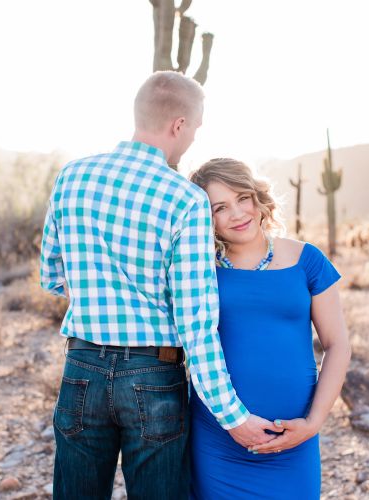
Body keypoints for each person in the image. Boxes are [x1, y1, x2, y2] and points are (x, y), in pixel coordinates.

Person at [40, 72, 276, 500]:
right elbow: (195, 324)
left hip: (81, 368)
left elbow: (52, 275)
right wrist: (234, 417)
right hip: (153, 376)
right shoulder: (185, 200)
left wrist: (102, 299)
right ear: (179, 126)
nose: (193, 138)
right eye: (196, 127)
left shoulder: (71, 177)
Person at [189, 158, 351, 499]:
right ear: (208, 219)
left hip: (295, 438)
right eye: (220, 207)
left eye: (242, 198)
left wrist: (313, 423)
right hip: (219, 437)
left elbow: (337, 345)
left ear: (257, 198)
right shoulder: (199, 270)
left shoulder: (307, 260)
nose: (236, 213)